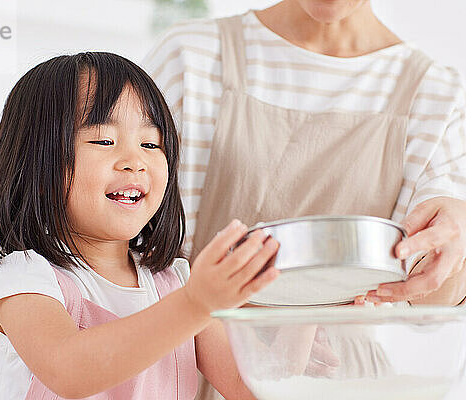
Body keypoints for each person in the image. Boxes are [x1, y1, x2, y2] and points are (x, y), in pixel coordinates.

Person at [143, 0, 466, 398]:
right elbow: (122, 253)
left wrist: (455, 241)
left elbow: (434, 302)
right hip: (188, 372)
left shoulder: (436, 94)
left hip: (343, 383)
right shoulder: (188, 56)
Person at [0, 52, 285, 399]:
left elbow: (250, 388)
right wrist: (195, 304)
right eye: (104, 141)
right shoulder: (27, 279)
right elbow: (68, 370)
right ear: (38, 166)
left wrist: (318, 308)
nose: (136, 162)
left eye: (151, 144)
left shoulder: (174, 283)